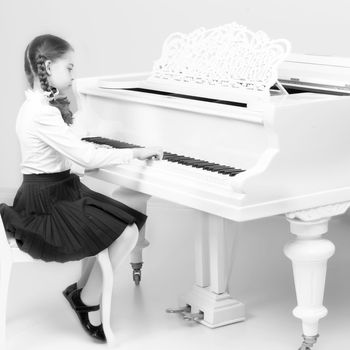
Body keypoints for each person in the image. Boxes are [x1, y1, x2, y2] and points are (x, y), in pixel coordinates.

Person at [0, 34, 163, 342]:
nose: (74, 76)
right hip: (46, 202)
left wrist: (95, 148)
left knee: (119, 224)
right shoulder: (40, 112)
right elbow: (84, 153)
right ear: (48, 67)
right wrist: (133, 152)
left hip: (61, 189)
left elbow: (70, 149)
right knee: (125, 232)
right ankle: (86, 300)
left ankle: (81, 292)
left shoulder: (38, 105)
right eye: (69, 68)